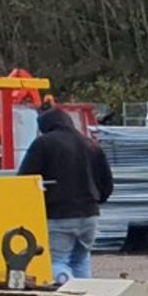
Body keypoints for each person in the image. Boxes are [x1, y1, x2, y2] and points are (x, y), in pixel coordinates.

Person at [18, 106, 113, 282]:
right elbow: (107, 184)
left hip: (58, 215)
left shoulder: (43, 144)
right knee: (81, 261)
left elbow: (24, 180)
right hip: (89, 215)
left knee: (56, 262)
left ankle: (67, 294)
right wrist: (95, 201)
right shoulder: (90, 144)